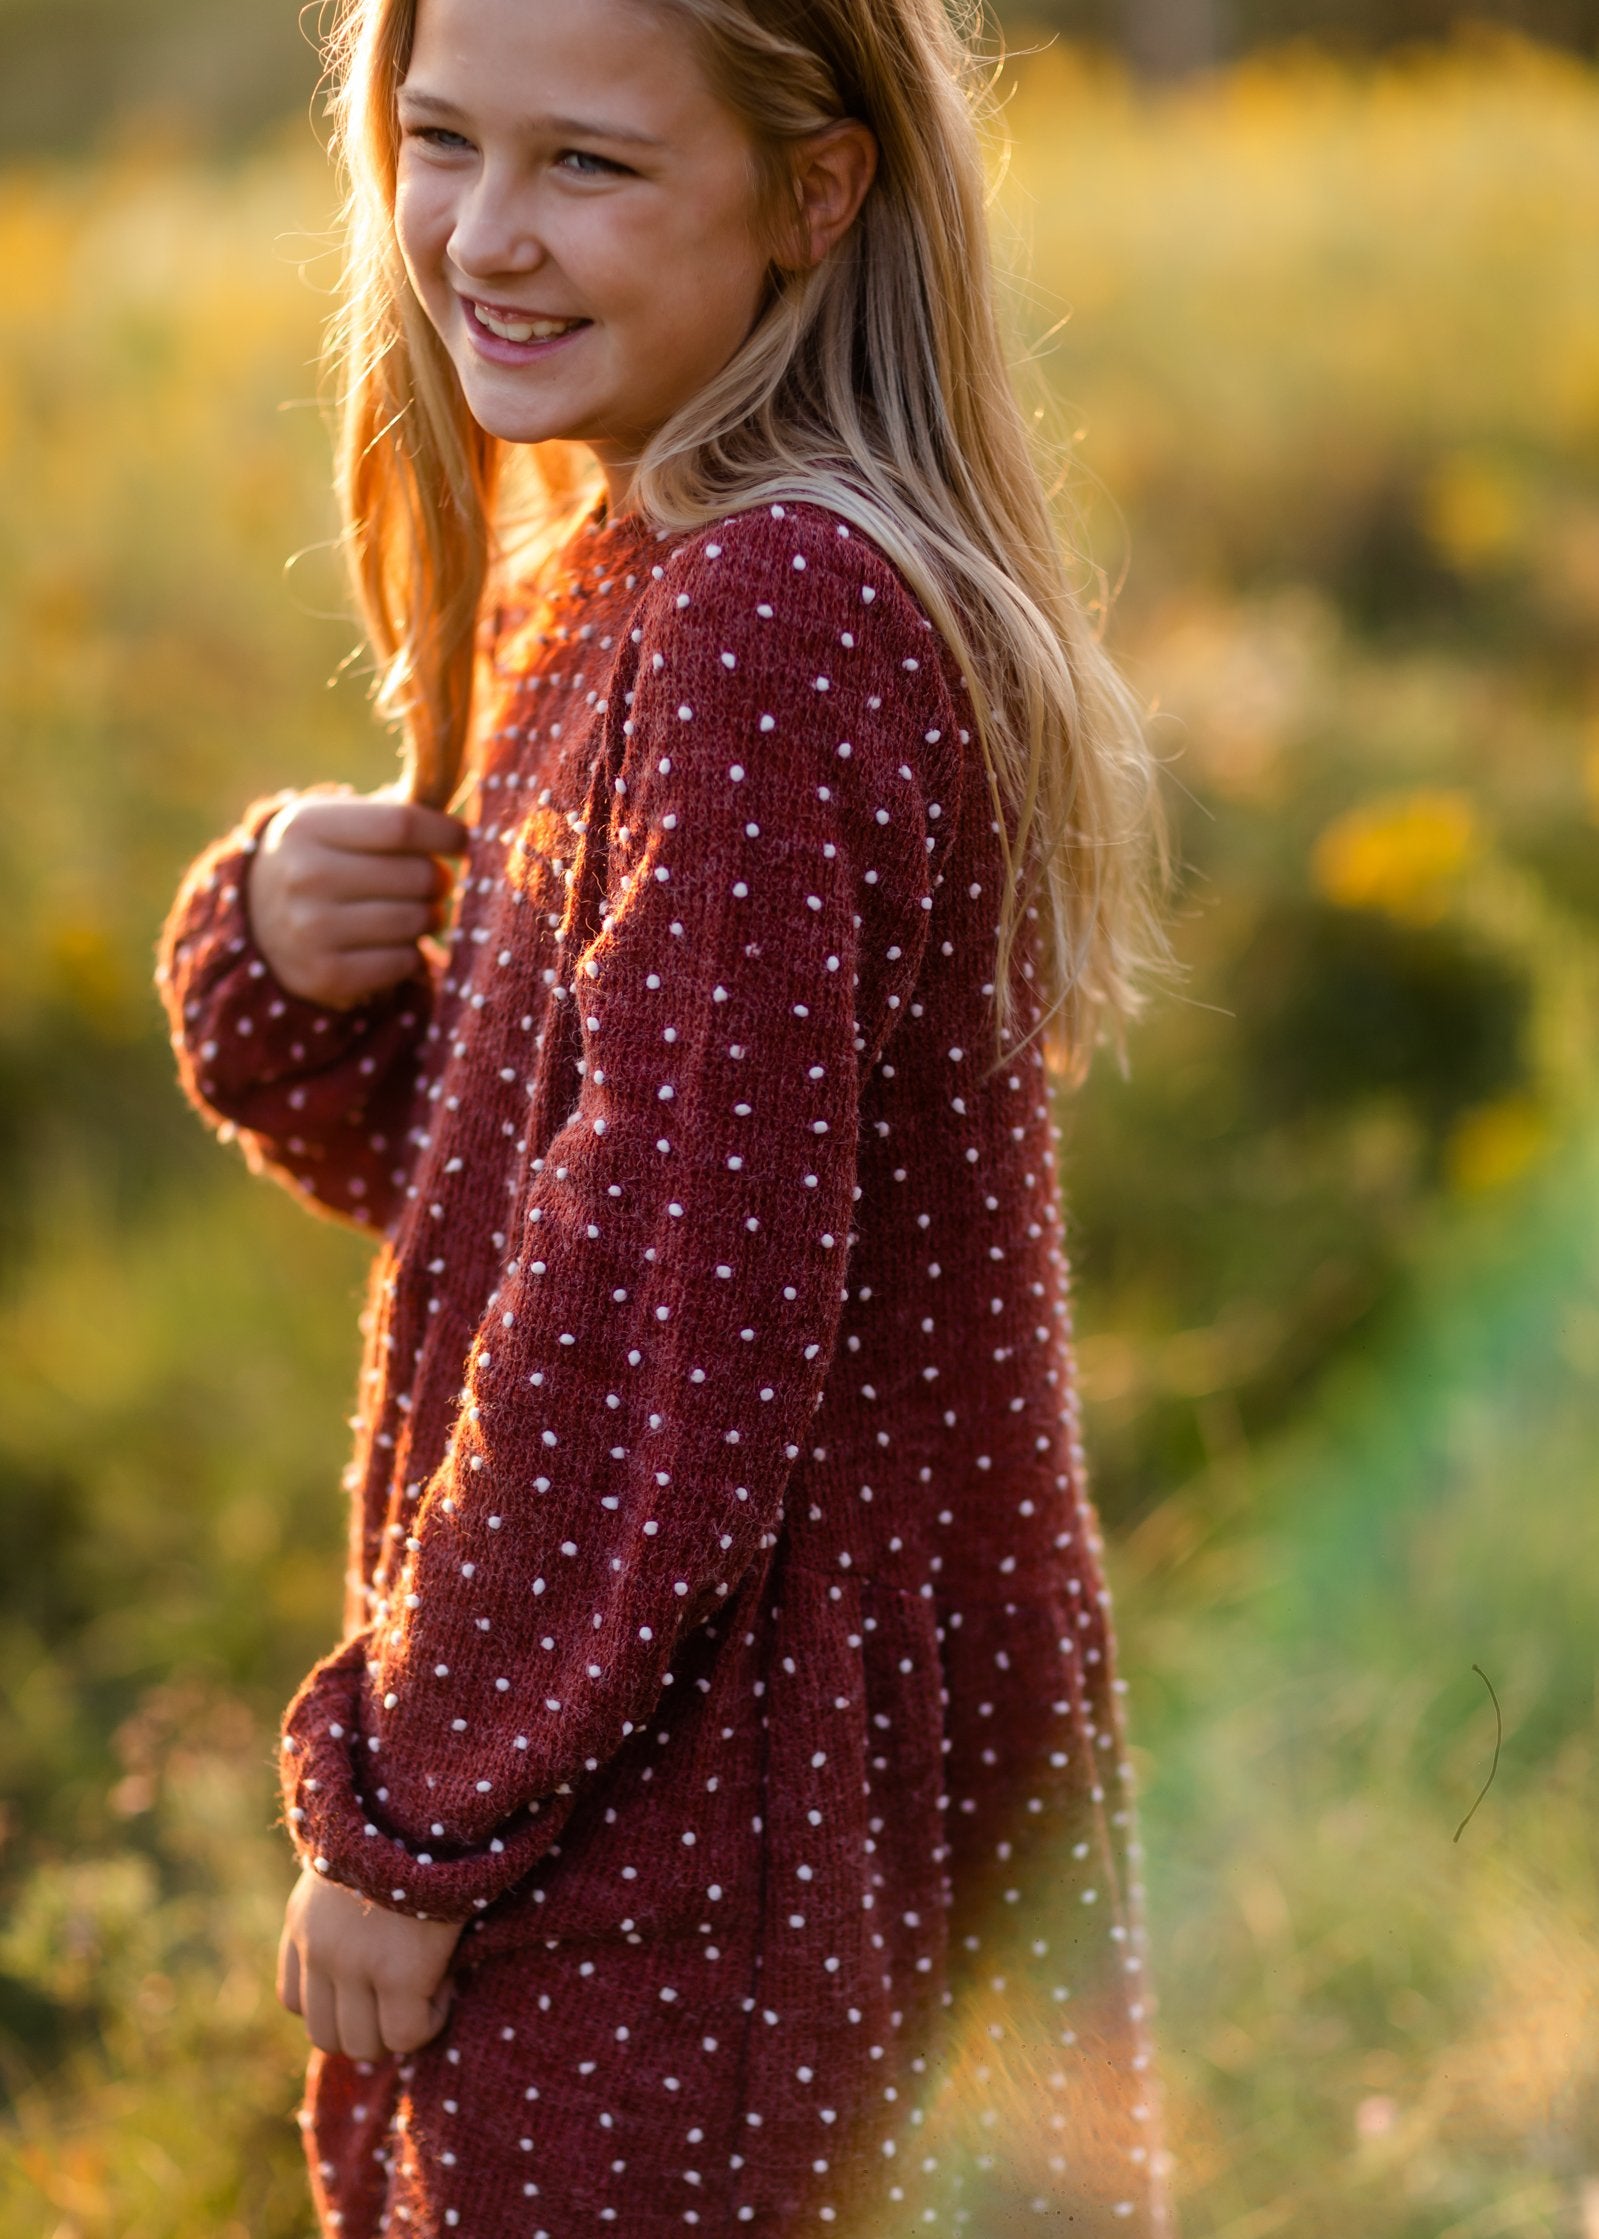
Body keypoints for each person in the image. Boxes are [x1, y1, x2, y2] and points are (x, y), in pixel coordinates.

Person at [156, 0, 1176, 2230]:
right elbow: (538, 1191)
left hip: (713, 1831)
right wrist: (284, 983)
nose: (482, 238)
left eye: (587, 165)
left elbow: (654, 1309)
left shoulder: (765, 620)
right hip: (713, 1771)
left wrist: (416, 1815)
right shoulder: (623, 575)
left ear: (817, 192)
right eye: (440, 141)